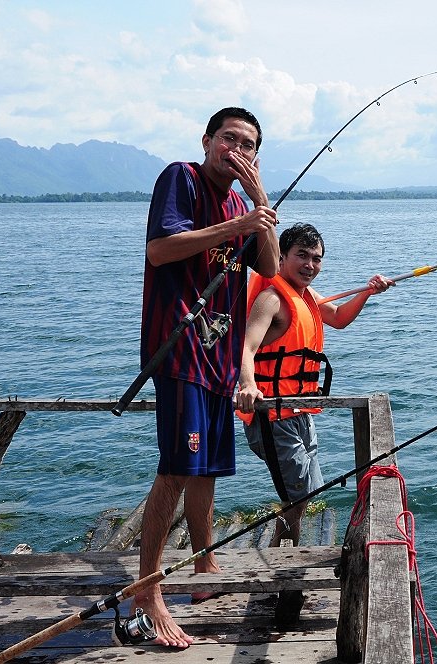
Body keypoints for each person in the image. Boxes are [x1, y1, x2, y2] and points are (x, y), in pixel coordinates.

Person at [133, 107, 280, 649]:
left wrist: (260, 203)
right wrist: (236, 225)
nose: (237, 150)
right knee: (175, 468)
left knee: (206, 469)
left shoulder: (243, 201)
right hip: (180, 350)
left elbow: (266, 265)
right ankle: (147, 591)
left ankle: (204, 566)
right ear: (207, 140)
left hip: (219, 355)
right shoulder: (182, 178)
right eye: (229, 139)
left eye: (249, 145)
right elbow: (160, 249)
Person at [235, 223, 393, 550]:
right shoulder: (272, 298)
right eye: (302, 256)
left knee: (306, 492)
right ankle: (285, 569)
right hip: (273, 417)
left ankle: (282, 554)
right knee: (297, 494)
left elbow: (337, 317)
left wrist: (367, 291)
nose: (310, 265)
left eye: (317, 259)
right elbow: (245, 348)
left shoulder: (305, 296)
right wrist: (248, 385)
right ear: (280, 258)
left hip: (299, 411)